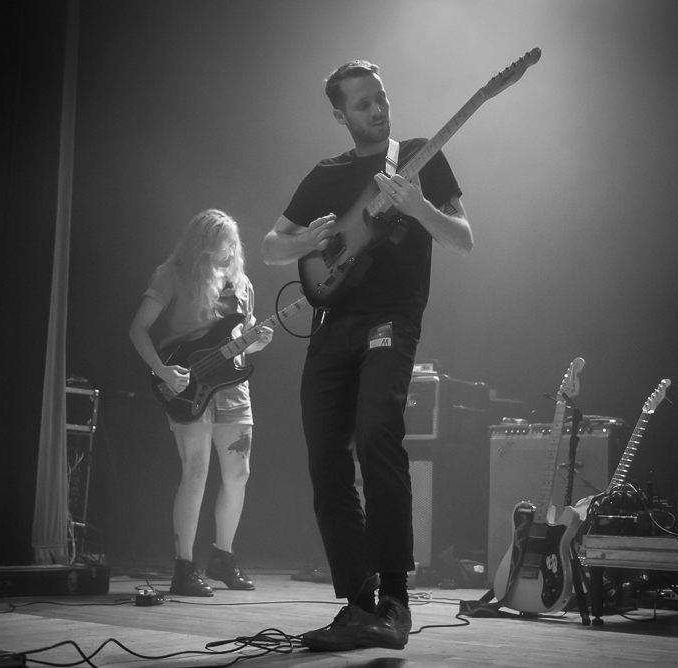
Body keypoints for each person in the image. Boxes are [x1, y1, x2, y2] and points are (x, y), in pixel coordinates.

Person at [262, 60, 472, 650]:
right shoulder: (326, 174)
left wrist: (418, 208)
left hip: (392, 318)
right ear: (340, 115)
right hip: (333, 323)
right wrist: (310, 240)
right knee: (326, 459)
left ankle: (396, 604)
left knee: (378, 432)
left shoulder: (423, 154)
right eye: (362, 104)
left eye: (380, 97)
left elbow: (464, 240)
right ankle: (358, 604)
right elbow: (271, 244)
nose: (377, 109)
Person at [130, 209, 273, 596]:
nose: (229, 250)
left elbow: (243, 333)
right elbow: (138, 328)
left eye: (232, 243)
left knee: (238, 474)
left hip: (233, 387)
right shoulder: (172, 273)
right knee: (196, 471)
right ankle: (184, 567)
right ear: (203, 245)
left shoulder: (242, 283)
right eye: (220, 243)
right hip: (187, 382)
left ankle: (223, 558)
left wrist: (257, 340)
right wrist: (161, 369)